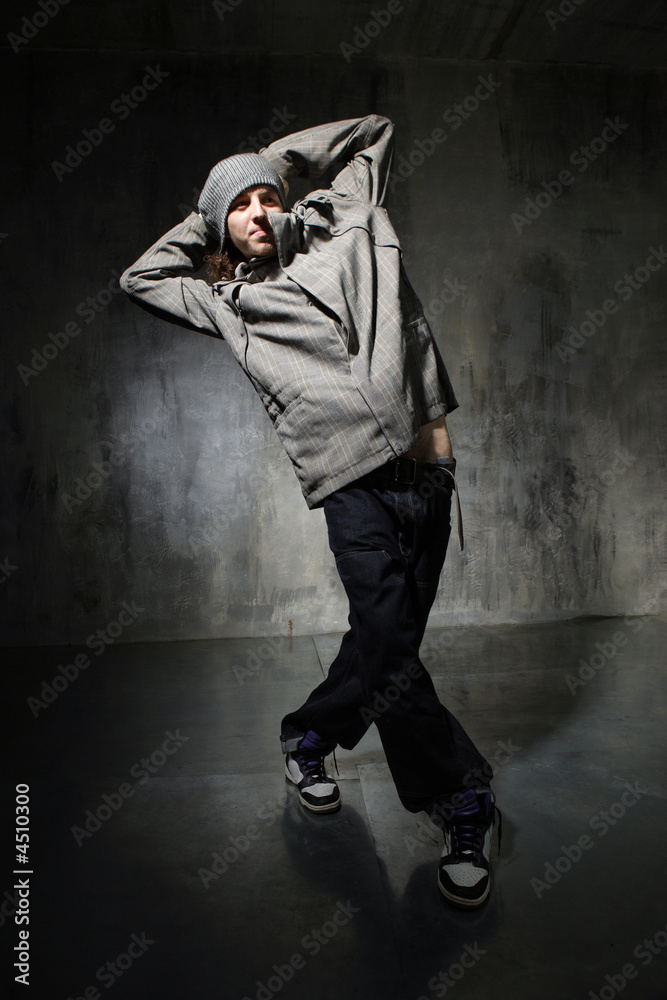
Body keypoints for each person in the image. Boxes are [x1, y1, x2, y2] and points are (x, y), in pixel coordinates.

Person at [120, 114, 499, 908]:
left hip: (428, 473)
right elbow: (140, 277)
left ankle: (310, 735)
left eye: (268, 198)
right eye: (240, 208)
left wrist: (268, 166)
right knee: (389, 650)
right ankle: (461, 799)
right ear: (219, 228)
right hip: (350, 486)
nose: (259, 211)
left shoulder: (348, 222)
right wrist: (216, 205)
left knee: (385, 643)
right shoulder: (225, 300)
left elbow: (373, 132)